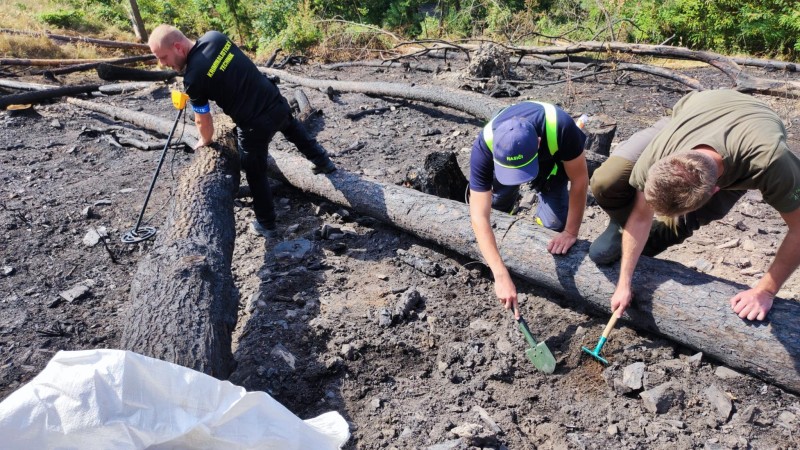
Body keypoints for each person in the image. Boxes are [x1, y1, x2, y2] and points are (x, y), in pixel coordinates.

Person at [589, 89, 800, 321]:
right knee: (608, 179)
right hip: (699, 109)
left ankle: (649, 241)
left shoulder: (771, 162)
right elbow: (641, 215)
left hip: (756, 123)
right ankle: (619, 227)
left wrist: (765, 291)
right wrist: (623, 283)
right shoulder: (658, 155)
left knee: (691, 219)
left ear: (716, 190)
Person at [148, 25, 336, 238]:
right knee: (292, 129)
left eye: (163, 57)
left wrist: (205, 140)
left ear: (178, 47)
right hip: (274, 101)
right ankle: (323, 162)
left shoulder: (193, 78)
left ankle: (266, 224)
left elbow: (203, 120)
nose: (162, 64)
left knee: (255, 171)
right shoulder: (215, 38)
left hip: (253, 124)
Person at [469, 101, 589, 317]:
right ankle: (507, 207)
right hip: (507, 160)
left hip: (551, 164)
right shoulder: (485, 145)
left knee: (554, 225)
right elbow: (478, 214)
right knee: (496, 204)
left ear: (538, 142)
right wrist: (500, 273)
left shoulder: (560, 128)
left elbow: (580, 180)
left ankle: (539, 220)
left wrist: (571, 232)